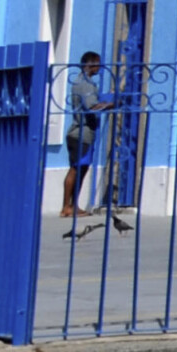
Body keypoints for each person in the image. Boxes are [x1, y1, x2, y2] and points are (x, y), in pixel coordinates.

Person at [59, 46, 116, 231]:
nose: (100, 67)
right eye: (98, 64)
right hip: (81, 134)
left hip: (82, 134)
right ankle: (66, 206)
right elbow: (92, 107)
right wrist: (111, 104)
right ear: (90, 65)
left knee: (80, 169)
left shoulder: (80, 82)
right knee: (76, 169)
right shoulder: (86, 85)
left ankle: (72, 205)